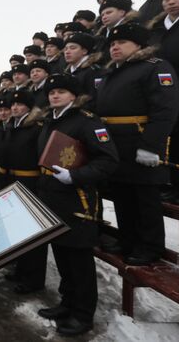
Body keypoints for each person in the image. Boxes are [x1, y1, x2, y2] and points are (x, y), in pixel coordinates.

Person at [36, 74, 119, 337]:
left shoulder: (87, 122)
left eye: (61, 91)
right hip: (52, 197)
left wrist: (75, 176)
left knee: (79, 260)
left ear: (73, 95)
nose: (55, 96)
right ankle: (67, 303)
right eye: (51, 92)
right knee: (62, 254)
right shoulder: (51, 121)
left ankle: (83, 315)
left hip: (78, 199)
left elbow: (108, 161)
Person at [96, 23, 179, 265]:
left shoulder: (155, 68)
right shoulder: (112, 73)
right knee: (122, 196)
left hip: (139, 141)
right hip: (115, 145)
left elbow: (165, 110)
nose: (115, 48)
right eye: (112, 44)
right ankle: (128, 240)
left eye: (121, 43)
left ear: (139, 45)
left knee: (145, 199)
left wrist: (151, 145)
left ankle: (150, 247)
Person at [148, 0, 179, 206]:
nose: (171, 2)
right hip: (165, 94)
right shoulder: (157, 30)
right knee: (172, 140)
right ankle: (176, 184)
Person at [0, 90, 47, 294]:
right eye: (13, 105)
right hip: (12, 181)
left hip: (30, 181)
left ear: (28, 106)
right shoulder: (12, 125)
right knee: (18, 229)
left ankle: (33, 279)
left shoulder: (36, 127)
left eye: (19, 104)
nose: (15, 108)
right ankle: (21, 269)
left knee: (33, 232)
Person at [63, 32, 103, 101]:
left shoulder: (94, 71)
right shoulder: (66, 73)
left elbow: (96, 97)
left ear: (84, 51)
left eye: (72, 48)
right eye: (66, 49)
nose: (67, 52)